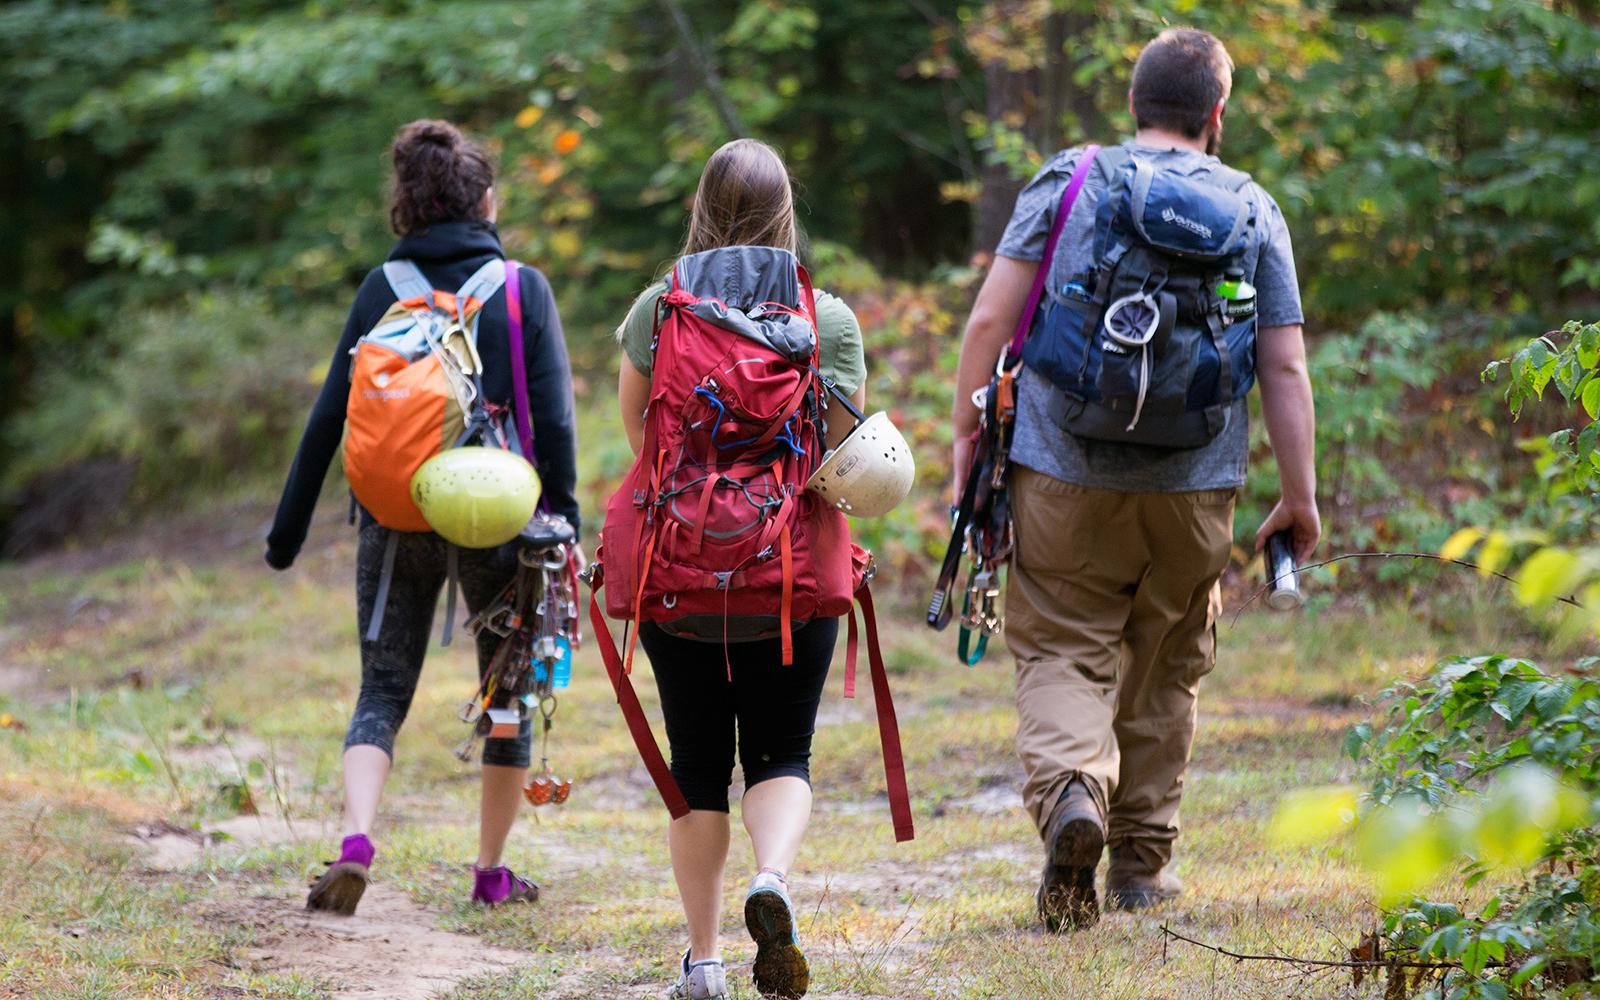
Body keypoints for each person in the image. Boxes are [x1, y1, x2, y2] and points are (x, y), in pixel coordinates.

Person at [951, 28, 1319, 930]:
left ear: (1133, 107)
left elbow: (992, 317)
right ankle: (1142, 867)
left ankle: (1075, 796)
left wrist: (967, 434)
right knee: (1167, 662)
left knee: (1062, 643)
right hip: (1197, 489)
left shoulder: (1070, 180)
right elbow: (1284, 368)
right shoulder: (1252, 206)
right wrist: (1299, 499)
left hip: (1062, 471)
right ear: (1216, 114)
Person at [265, 119, 581, 914]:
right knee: (506, 693)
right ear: (483, 198)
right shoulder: (521, 288)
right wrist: (564, 517)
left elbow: (329, 416)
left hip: (396, 510)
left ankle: (357, 842)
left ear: (408, 203)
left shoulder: (383, 287)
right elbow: (556, 418)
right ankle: (488, 873)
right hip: (500, 513)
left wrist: (287, 535)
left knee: (381, 689)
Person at [614, 138, 866, 1000]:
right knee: (782, 750)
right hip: (790, 580)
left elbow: (641, 445)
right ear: (786, 212)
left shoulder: (658, 312)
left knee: (696, 768)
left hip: (680, 579)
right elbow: (844, 455)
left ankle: (706, 961)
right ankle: (775, 878)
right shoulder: (825, 319)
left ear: (700, 207)